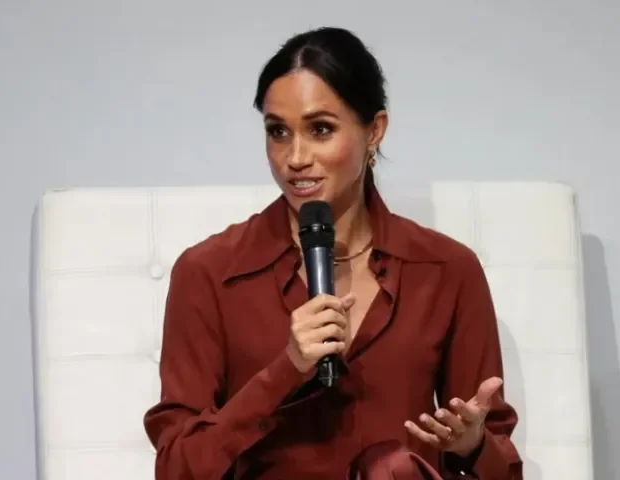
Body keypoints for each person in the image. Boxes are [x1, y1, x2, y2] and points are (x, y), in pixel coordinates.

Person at [143, 26, 523, 479]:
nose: (295, 157)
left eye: (320, 129)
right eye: (278, 132)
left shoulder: (446, 269)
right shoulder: (208, 273)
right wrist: (286, 370)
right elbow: (178, 469)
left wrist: (473, 445)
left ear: (374, 130)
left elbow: (504, 470)